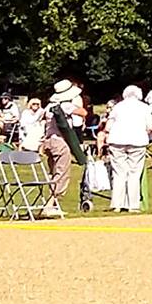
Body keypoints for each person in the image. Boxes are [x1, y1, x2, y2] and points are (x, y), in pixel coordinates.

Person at [104, 84, 152, 213]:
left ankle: (117, 204)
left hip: (117, 141)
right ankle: (133, 205)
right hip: (137, 142)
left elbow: (108, 127)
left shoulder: (118, 107)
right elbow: (151, 126)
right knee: (134, 173)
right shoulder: (144, 107)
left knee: (119, 173)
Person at [47, 80, 87, 213]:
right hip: (60, 141)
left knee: (53, 172)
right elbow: (83, 112)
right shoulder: (65, 105)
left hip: (49, 141)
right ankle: (51, 203)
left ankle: (51, 203)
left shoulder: (49, 106)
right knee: (62, 173)